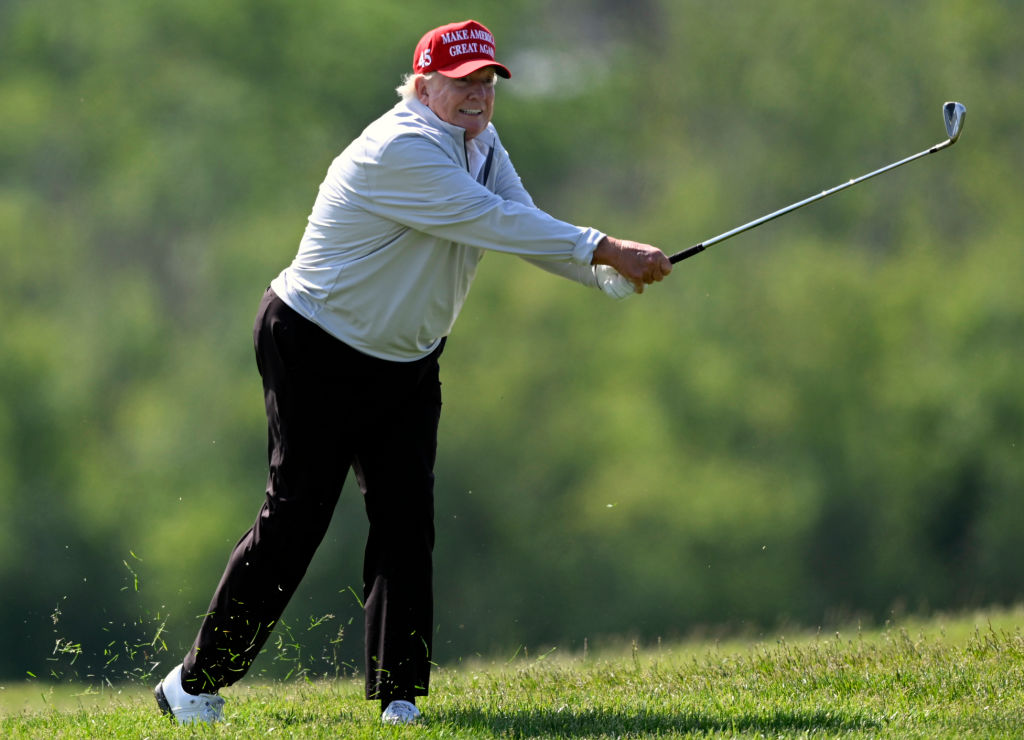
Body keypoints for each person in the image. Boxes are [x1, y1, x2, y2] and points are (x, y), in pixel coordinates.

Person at [154, 18, 671, 726]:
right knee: (296, 522)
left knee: (405, 525)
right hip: (315, 346)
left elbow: (520, 218)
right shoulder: (402, 149)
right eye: (463, 84)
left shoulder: (480, 145)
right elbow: (490, 222)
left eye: (488, 82)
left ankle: (400, 701)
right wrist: (608, 248)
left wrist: (603, 276)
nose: (479, 97)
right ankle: (192, 685)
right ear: (423, 85)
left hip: (404, 359)